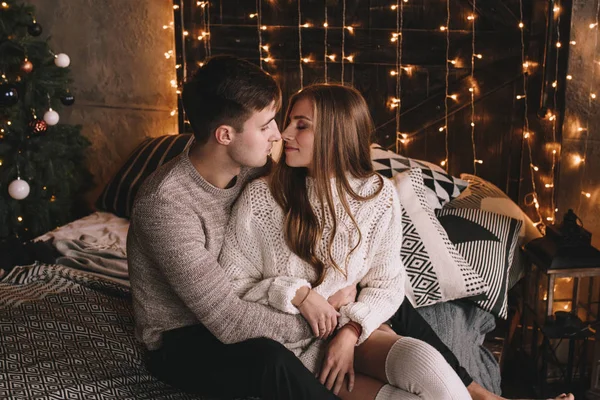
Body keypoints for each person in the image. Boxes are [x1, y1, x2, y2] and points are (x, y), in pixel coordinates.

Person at [219, 83, 473, 399]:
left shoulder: (377, 194)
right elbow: (231, 287)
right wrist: (298, 294)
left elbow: (387, 283)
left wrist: (350, 332)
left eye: (301, 125)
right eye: (289, 122)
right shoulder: (262, 197)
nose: (284, 134)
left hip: (355, 332)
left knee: (429, 367)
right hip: (294, 345)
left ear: (335, 134)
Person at [127, 55, 339, 400]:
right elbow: (230, 322)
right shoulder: (164, 204)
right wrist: (325, 321)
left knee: (377, 284)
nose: (278, 135)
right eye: (266, 125)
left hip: (252, 295)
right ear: (225, 134)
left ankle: (462, 385)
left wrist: (346, 298)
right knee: (271, 361)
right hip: (184, 338)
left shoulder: (253, 172)